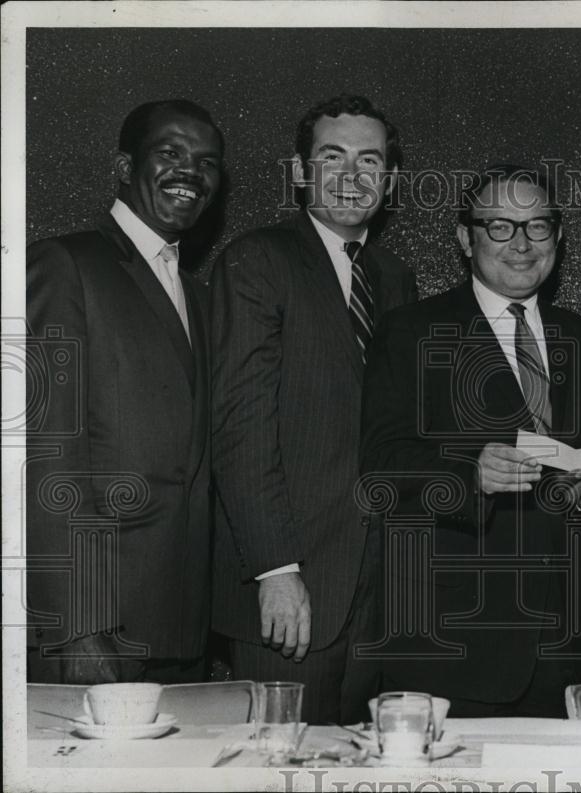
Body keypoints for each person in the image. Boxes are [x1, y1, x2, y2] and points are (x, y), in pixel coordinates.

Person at [360, 164, 581, 717]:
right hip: (454, 647)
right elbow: (380, 465)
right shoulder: (410, 332)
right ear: (465, 238)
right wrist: (469, 473)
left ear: (558, 236)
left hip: (569, 650)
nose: (520, 243)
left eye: (537, 225)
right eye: (499, 226)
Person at [211, 94, 417, 724]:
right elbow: (240, 427)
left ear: (390, 179)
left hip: (378, 596)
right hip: (288, 590)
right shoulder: (258, 261)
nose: (353, 176)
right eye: (333, 157)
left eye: (370, 160)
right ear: (300, 172)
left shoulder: (396, 278)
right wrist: (276, 569)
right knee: (279, 771)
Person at [26, 99, 224, 683]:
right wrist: (77, 624)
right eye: (170, 153)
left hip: (182, 629)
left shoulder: (201, 294)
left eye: (207, 161)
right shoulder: (64, 264)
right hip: (96, 627)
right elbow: (44, 456)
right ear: (122, 165)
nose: (190, 171)